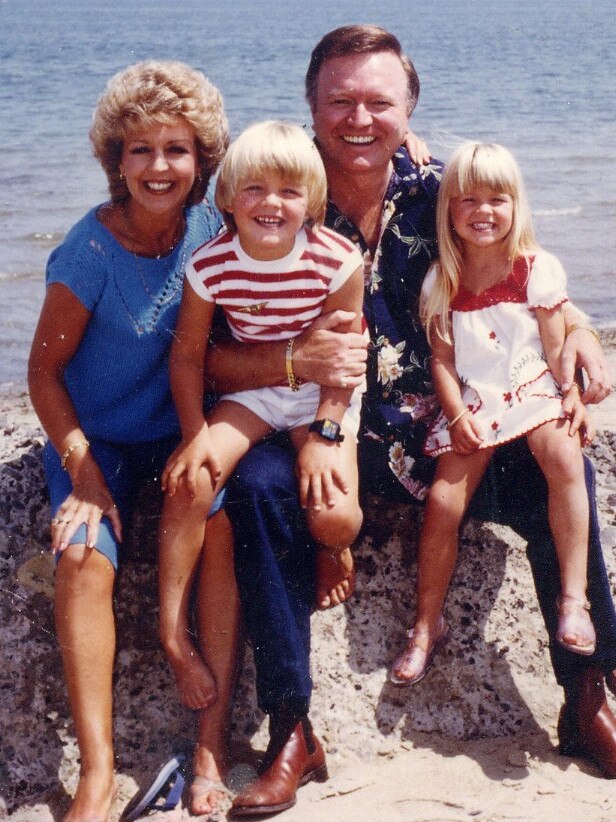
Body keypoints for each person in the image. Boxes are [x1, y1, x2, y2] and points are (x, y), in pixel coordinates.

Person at [201, 25, 616, 817]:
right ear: (311, 106)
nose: (359, 119)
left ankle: (588, 691)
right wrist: (294, 365)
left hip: (448, 439)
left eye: (378, 102)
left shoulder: (443, 193)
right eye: (340, 101)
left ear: (409, 109)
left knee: (564, 464)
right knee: (255, 488)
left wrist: (587, 339)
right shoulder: (270, 193)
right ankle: (293, 729)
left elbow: (532, 282)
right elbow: (207, 356)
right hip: (318, 437)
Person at [27, 61, 240, 821]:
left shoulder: (213, 232)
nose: (159, 167)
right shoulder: (88, 252)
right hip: (98, 441)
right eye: (141, 150)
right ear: (115, 159)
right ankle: (97, 770)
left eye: (176, 150)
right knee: (83, 555)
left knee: (220, 532)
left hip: (176, 433)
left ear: (202, 158)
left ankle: (211, 746)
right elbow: (43, 373)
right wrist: (84, 473)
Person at [157, 120, 365, 698]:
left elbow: (347, 360)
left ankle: (334, 551)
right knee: (191, 480)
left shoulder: (337, 259)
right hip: (252, 391)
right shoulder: (211, 263)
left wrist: (325, 431)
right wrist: (195, 432)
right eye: (253, 188)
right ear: (227, 196)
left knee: (334, 516)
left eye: (289, 192)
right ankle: (172, 630)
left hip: (318, 393)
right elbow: (186, 359)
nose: (270, 204)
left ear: (312, 202)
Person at [389, 141, 597, 689]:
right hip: (477, 399)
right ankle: (425, 626)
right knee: (442, 500)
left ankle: (574, 600)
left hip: (531, 384)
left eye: (497, 199)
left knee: (563, 454)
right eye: (467, 200)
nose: (482, 211)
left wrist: (571, 393)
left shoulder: (534, 269)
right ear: (448, 209)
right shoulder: (443, 279)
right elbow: (443, 359)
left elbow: (556, 350)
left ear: (516, 205)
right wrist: (456, 416)